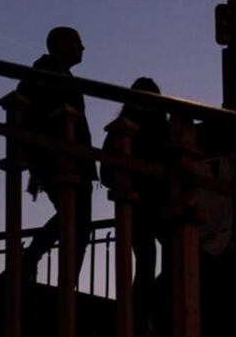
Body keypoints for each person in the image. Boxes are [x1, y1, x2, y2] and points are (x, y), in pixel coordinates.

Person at [18, 26, 96, 285]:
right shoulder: (41, 77)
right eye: (77, 42)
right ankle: (55, 274)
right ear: (61, 45)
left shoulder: (59, 78)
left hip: (73, 159)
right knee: (77, 219)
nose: (82, 47)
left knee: (77, 221)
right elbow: (29, 120)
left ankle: (41, 263)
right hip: (58, 159)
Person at [100, 77, 168, 337]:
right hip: (153, 204)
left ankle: (141, 317)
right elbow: (108, 173)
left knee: (147, 263)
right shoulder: (162, 129)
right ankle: (145, 316)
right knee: (158, 260)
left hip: (141, 206)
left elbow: (106, 173)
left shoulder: (123, 129)